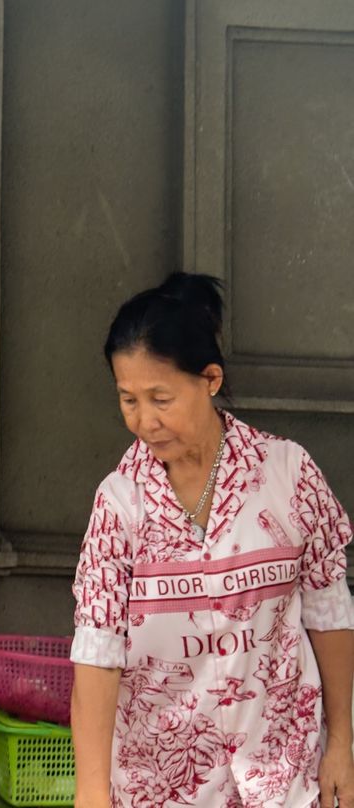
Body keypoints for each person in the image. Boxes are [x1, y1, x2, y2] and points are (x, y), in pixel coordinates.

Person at [71, 273, 354, 808]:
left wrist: (341, 744)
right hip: (162, 789)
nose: (145, 421)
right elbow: (97, 654)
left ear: (210, 379)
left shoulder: (287, 475)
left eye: (161, 398)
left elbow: (329, 611)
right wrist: (91, 793)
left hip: (285, 781)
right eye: (128, 400)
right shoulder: (119, 505)